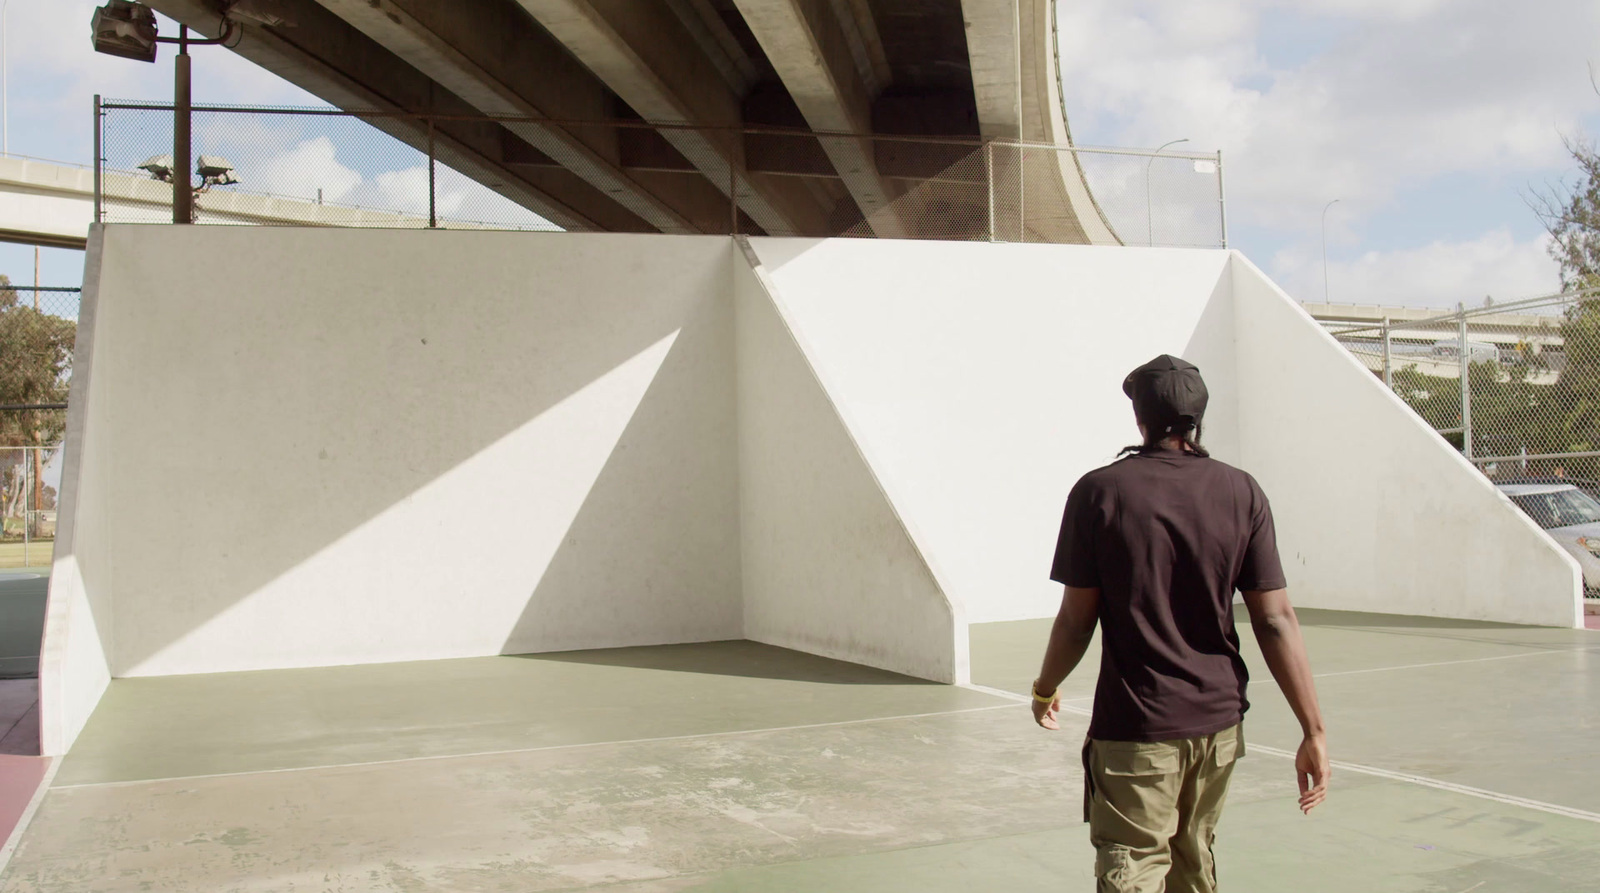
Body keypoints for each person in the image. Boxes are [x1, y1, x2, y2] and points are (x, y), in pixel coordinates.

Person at [1030, 355, 1329, 893]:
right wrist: (1313, 730)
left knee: (1133, 869)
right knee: (1193, 864)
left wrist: (1044, 687)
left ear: (1140, 420)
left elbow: (1077, 620)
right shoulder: (1243, 492)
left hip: (1138, 729)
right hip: (1219, 728)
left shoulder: (1099, 492)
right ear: (1198, 419)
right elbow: (1277, 620)